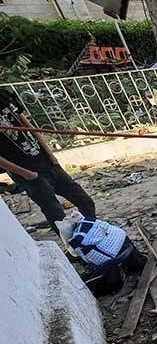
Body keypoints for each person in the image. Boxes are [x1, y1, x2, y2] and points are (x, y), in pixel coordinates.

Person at [0, 87, 96, 230]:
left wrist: (51, 155)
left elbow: (28, 125)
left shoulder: (3, 95)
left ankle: (93, 233)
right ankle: (73, 248)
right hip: (28, 174)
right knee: (56, 215)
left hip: (47, 161)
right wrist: (27, 174)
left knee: (85, 201)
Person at [55, 211, 146, 296]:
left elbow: (87, 259)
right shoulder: (89, 220)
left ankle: (113, 286)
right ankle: (137, 264)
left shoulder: (76, 240)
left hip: (112, 257)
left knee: (100, 267)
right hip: (124, 240)